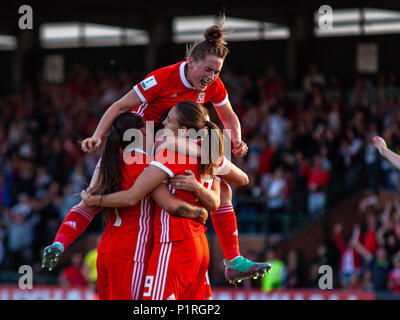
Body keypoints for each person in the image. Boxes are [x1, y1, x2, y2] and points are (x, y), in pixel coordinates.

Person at [76, 20, 269, 282]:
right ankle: (72, 230)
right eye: (209, 69)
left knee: (224, 188)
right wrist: (98, 136)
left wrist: (237, 139)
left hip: (178, 142)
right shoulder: (162, 78)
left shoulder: (212, 85)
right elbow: (119, 106)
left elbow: (229, 116)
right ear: (191, 62)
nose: (212, 77)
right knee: (118, 191)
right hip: (144, 141)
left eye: (217, 71)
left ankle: (233, 260)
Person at [42, 112, 208, 300]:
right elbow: (168, 204)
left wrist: (59, 242)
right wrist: (199, 211)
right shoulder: (144, 164)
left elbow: (84, 209)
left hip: (106, 251)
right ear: (142, 132)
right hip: (131, 254)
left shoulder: (108, 162)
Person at [80, 101, 225, 299]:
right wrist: (199, 191)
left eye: (169, 119)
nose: (163, 123)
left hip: (173, 244)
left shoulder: (170, 154)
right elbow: (240, 180)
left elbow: (133, 196)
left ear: (183, 129)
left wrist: (93, 200)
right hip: (199, 244)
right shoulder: (209, 154)